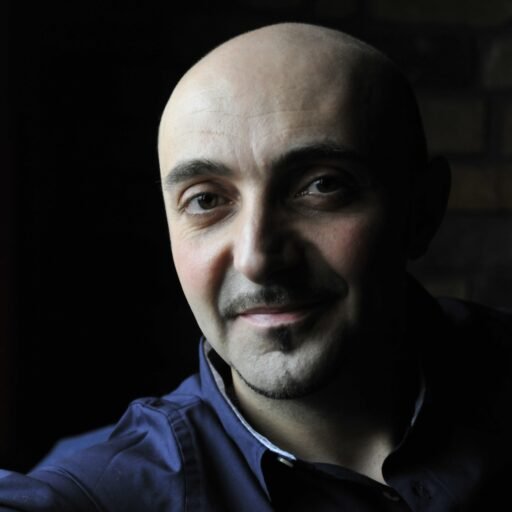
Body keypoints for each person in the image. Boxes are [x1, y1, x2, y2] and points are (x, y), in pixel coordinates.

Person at [1, 22, 511, 512]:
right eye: (205, 200)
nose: (257, 258)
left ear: (422, 211)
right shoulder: (99, 492)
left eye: (321, 185)